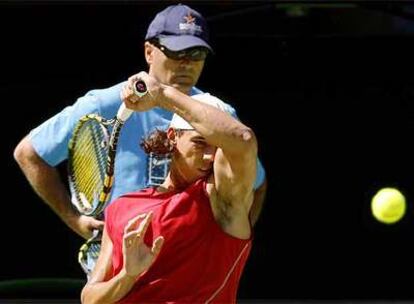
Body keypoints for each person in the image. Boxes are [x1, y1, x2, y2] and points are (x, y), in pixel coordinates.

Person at [13, 3, 267, 271]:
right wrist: (73, 219)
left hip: (187, 273)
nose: (187, 63)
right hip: (117, 269)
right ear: (149, 51)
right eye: (176, 51)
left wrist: (228, 246)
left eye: (197, 53)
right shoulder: (104, 104)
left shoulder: (216, 114)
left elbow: (257, 185)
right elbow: (29, 153)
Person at [81, 71, 258, 303]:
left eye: (217, 148)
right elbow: (90, 298)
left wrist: (161, 94)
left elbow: (243, 139)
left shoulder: (222, 199)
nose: (210, 157)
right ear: (173, 136)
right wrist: (127, 275)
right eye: (200, 143)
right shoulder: (121, 207)